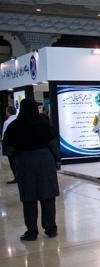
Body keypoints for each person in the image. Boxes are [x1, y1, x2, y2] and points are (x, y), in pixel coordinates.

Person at [2, 99, 59, 241]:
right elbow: (53, 144)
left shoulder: (14, 126)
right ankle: (50, 228)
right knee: (48, 196)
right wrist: (57, 160)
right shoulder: (44, 123)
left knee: (29, 198)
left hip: (25, 163)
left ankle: (32, 232)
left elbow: (8, 149)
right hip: (45, 162)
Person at [2, 106, 17, 184]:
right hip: (19, 144)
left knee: (12, 162)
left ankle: (16, 177)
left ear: (8, 112)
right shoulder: (19, 119)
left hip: (10, 145)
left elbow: (4, 136)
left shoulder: (7, 122)